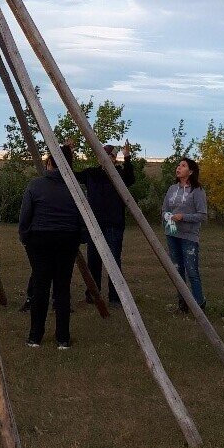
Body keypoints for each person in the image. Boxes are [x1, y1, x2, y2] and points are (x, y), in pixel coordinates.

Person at [18, 145, 80, 349]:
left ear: (50, 163)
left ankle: (35, 336)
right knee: (62, 288)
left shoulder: (36, 186)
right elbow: (84, 217)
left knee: (40, 287)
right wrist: (79, 238)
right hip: (67, 240)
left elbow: (25, 216)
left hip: (40, 240)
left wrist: (26, 237)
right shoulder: (76, 188)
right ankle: (62, 338)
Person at [74, 142, 135, 307]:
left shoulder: (120, 175)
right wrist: (68, 152)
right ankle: (92, 295)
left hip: (114, 224)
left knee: (114, 261)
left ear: (115, 158)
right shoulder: (91, 173)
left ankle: (116, 298)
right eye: (102, 155)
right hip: (94, 225)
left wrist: (127, 156)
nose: (106, 158)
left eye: (109, 155)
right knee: (93, 261)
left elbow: (131, 178)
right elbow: (71, 175)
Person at [162, 156, 208, 311]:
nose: (178, 168)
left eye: (183, 165)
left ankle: (199, 303)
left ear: (191, 171)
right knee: (177, 270)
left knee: (192, 271)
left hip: (189, 236)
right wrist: (167, 217)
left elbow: (202, 215)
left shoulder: (197, 191)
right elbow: (164, 210)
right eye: (178, 165)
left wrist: (184, 217)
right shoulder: (172, 189)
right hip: (172, 234)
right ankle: (183, 303)